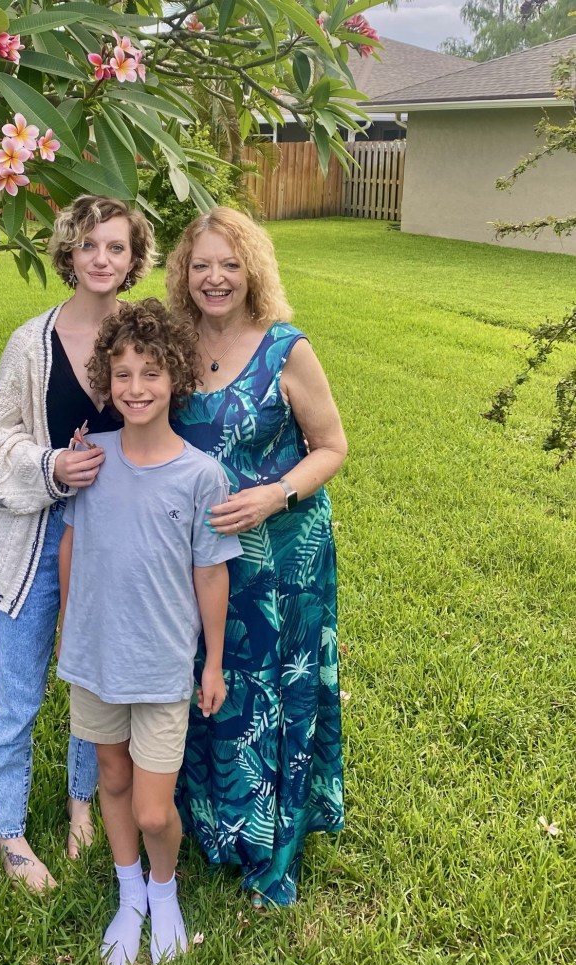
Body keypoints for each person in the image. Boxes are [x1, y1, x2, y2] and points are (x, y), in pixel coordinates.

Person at [165, 207, 348, 908]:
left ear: (253, 271)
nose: (215, 278)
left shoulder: (285, 349)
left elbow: (331, 447)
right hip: (200, 557)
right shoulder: (173, 345)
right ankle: (211, 823)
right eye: (201, 265)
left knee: (273, 689)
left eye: (230, 264)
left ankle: (273, 843)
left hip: (281, 559)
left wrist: (274, 495)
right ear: (184, 273)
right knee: (209, 681)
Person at [0, 196, 156, 889]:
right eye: (88, 245)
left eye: (116, 247)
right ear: (68, 254)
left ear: (134, 258)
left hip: (116, 538)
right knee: (17, 689)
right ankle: (10, 830)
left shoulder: (144, 337)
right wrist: (52, 467)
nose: (102, 259)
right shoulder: (32, 343)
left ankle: (84, 802)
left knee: (93, 679)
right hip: (37, 538)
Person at [56, 300, 242, 965]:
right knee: (111, 778)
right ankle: (129, 891)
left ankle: (165, 893)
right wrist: (68, 630)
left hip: (162, 665)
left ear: (176, 378)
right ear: (107, 381)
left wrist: (212, 663)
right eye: (123, 374)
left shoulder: (201, 476)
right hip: (95, 657)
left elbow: (211, 573)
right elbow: (70, 545)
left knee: (154, 810)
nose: (136, 388)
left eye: (151, 373)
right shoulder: (91, 458)